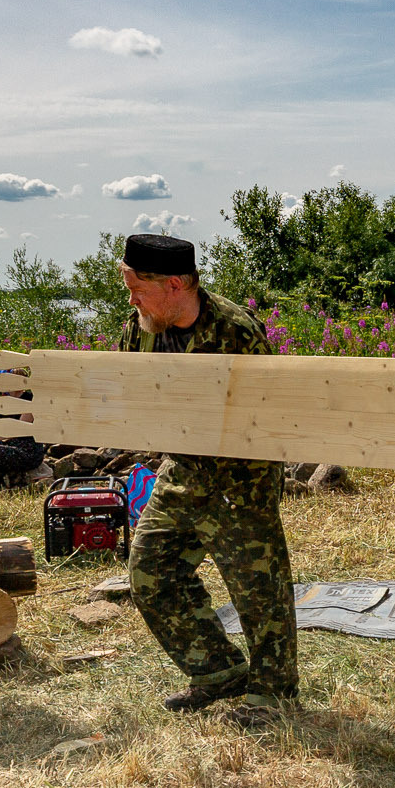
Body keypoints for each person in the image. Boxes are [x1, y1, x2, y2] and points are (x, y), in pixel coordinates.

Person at [121, 233, 298, 728]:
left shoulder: (235, 331)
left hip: (240, 478)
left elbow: (269, 411)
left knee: (258, 592)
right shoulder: (142, 327)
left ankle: (273, 693)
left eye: (138, 288)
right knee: (151, 573)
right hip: (184, 470)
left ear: (175, 284)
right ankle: (217, 672)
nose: (132, 299)